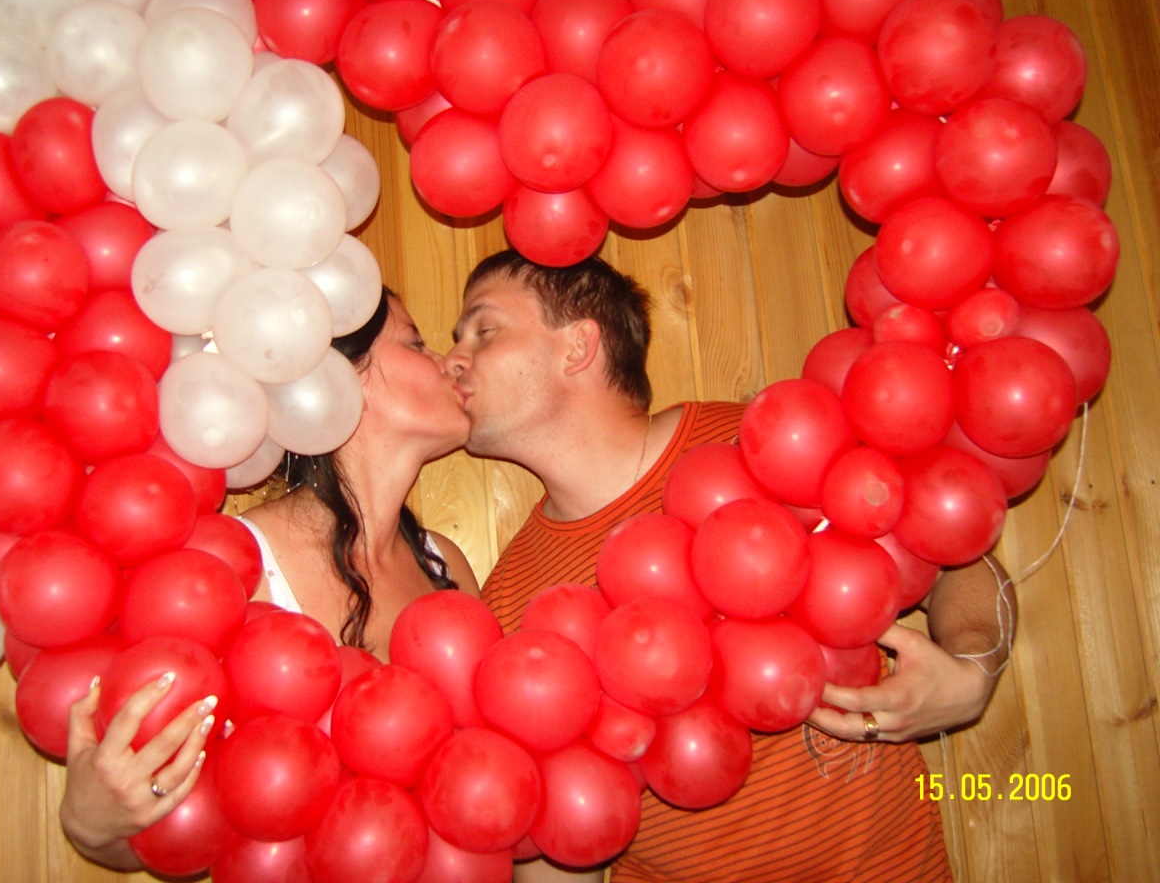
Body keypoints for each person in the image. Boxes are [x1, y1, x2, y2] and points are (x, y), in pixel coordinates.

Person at [445, 251, 1017, 883]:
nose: (453, 360)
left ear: (578, 346)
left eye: (484, 330)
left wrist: (973, 666)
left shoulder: (763, 445)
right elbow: (562, 830)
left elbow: (957, 561)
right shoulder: (512, 602)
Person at [58, 289, 478, 871]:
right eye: (415, 342)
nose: (449, 362)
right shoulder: (230, 567)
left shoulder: (445, 563)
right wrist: (89, 821)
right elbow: (171, 818)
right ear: (333, 383)